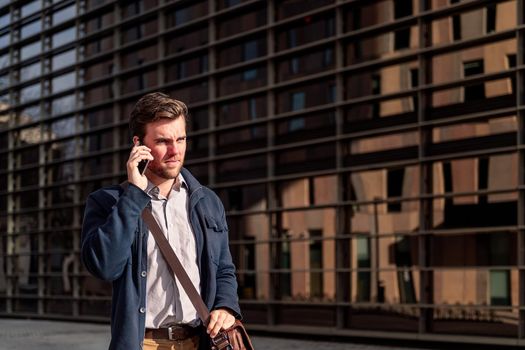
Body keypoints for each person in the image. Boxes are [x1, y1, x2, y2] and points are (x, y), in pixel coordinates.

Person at [81, 92, 241, 350]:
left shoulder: (206, 201)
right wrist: (134, 194)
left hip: (199, 342)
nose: (175, 151)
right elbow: (104, 267)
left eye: (181, 139)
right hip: (142, 343)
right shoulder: (106, 202)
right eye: (163, 141)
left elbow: (223, 267)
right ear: (139, 145)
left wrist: (226, 305)